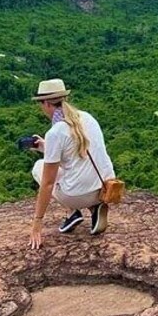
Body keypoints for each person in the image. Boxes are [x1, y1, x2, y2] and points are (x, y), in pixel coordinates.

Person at [27, 78, 116, 248]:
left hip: (78, 195)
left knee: (39, 167)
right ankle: (94, 207)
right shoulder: (87, 117)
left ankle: (72, 211)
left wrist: (37, 225)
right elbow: (77, 154)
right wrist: (46, 147)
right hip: (105, 187)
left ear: (46, 103)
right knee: (76, 170)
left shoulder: (56, 132)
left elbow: (47, 183)